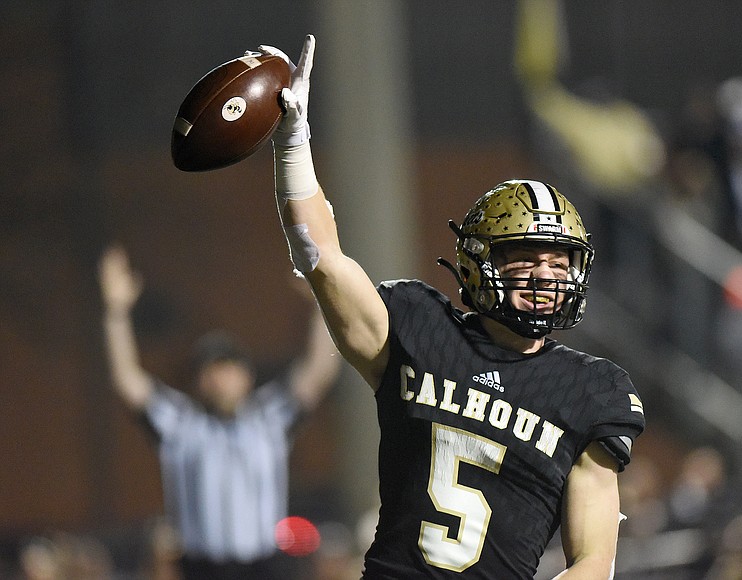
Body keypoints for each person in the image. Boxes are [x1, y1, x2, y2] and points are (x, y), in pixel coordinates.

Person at [262, 35, 645, 579]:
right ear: (478, 262)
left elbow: (593, 564)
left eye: (559, 262)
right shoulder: (421, 328)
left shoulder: (589, 391)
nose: (544, 275)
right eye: (524, 258)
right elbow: (318, 255)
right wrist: (293, 143)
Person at [97, 244, 340, 580]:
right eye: (212, 371)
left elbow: (318, 371)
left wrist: (321, 301)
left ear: (247, 376)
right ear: (199, 381)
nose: (221, 380)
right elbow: (127, 380)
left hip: (263, 567)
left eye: (229, 369)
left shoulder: (268, 418)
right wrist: (115, 312)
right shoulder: (181, 425)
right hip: (202, 568)